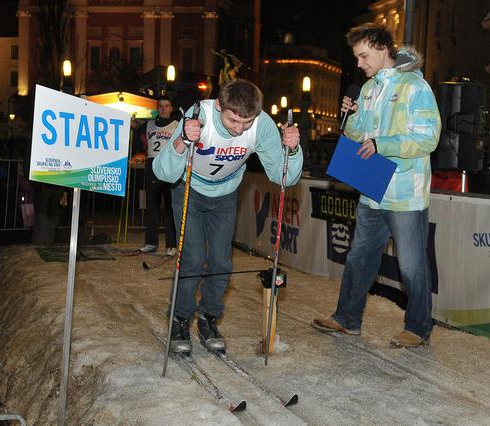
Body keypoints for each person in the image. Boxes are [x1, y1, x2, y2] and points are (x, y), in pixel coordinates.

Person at [311, 23, 441, 348]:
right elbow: (359, 137)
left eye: (363, 56)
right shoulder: (368, 89)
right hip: (372, 188)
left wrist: (383, 143)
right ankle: (347, 319)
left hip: (404, 192)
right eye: (356, 57)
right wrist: (351, 118)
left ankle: (419, 327)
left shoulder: (415, 86)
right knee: (359, 257)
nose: (359, 64)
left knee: (412, 265)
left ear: (382, 48)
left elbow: (428, 138)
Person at [153, 78, 302, 354]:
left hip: (225, 194)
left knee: (221, 261)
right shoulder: (200, 115)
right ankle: (180, 318)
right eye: (233, 120)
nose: (239, 129)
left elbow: (285, 177)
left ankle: (209, 318)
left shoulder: (262, 125)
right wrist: (182, 140)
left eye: (246, 122)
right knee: (193, 258)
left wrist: (291, 149)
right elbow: (163, 172)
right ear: (219, 105)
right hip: (190, 189)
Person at [138, 96, 179, 256]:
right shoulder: (147, 125)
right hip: (152, 165)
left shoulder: (177, 125)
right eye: (160, 106)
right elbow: (138, 140)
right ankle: (151, 242)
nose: (163, 109)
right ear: (157, 108)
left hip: (169, 165)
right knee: (151, 206)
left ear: (171, 108)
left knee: (170, 206)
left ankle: (171, 245)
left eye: (166, 106)